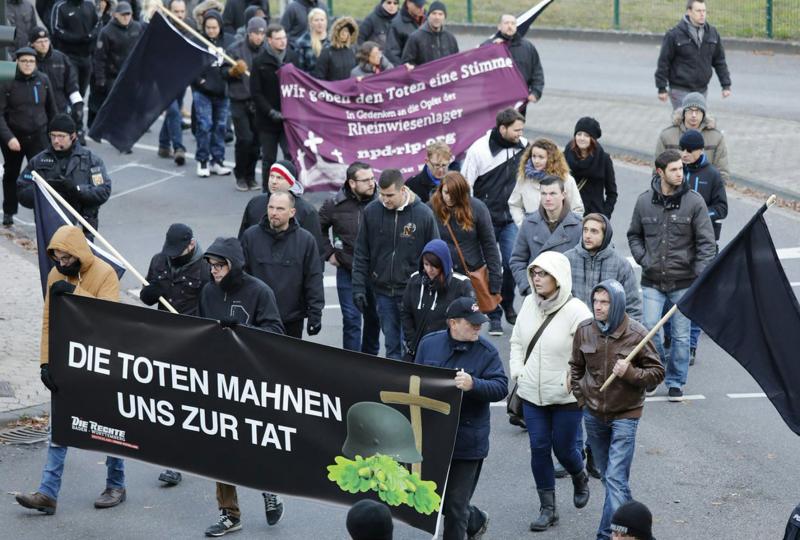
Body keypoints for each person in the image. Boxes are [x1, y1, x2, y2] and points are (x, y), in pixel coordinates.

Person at [15, 225, 126, 515]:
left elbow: (110, 318)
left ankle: (116, 484)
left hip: (102, 362)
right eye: (57, 259)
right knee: (58, 427)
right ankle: (48, 493)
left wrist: (75, 293)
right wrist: (45, 362)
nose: (61, 264)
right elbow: (48, 320)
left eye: (66, 259)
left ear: (78, 253)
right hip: (68, 360)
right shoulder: (54, 275)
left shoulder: (105, 274)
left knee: (109, 425)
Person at [198, 237, 284, 536]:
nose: (214, 272)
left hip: (251, 382)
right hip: (218, 381)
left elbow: (275, 331)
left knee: (254, 443)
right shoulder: (208, 292)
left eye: (220, 266)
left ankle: (268, 487)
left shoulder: (260, 292)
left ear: (233, 265)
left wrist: (243, 331)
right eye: (211, 266)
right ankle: (229, 513)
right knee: (220, 447)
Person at [570, 280, 664, 540]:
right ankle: (634, 530)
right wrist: (582, 399)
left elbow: (657, 373)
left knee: (614, 478)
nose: (598, 307)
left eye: (605, 302)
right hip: (593, 414)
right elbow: (575, 367)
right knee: (611, 479)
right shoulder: (585, 330)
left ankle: (610, 535)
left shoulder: (636, 333)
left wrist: (630, 372)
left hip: (626, 414)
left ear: (617, 305)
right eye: (596, 301)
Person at [509, 251, 592, 532]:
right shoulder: (529, 306)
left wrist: (576, 374)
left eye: (543, 273)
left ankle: (579, 475)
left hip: (566, 397)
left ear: (559, 278)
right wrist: (519, 372)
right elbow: (517, 342)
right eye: (534, 273)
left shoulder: (578, 311)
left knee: (565, 449)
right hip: (532, 394)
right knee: (539, 448)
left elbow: (591, 351)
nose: (537, 278)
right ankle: (548, 509)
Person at [415, 297, 508, 540]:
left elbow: (500, 387)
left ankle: (466, 518)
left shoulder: (486, 352)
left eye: (480, 322)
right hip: (434, 439)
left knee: (455, 508)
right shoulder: (429, 344)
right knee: (429, 497)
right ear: (453, 323)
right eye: (472, 323)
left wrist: (473, 384)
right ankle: (475, 518)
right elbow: (415, 378)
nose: (478, 327)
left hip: (468, 441)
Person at [627, 149, 715, 401]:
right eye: (674, 169)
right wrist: (643, 259)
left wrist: (699, 273)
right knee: (648, 330)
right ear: (660, 172)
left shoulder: (694, 201)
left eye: (681, 168)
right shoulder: (644, 201)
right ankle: (656, 372)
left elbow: (706, 243)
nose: (680, 173)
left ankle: (676, 381)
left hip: (683, 281)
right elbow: (634, 234)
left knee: (680, 335)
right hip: (652, 280)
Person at [139, 223, 209, 486]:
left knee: (187, 401)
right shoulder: (160, 261)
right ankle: (173, 459)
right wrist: (150, 292)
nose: (172, 254)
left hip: (193, 342)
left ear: (191, 244)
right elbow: (147, 297)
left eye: (178, 250)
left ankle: (185, 454)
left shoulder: (204, 268)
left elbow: (210, 304)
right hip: (164, 341)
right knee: (168, 401)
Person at [351, 168, 439, 360]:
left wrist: (432, 288)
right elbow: (361, 252)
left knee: (412, 344)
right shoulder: (371, 212)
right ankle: (395, 385)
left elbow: (435, 256)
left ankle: (412, 385)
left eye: (389, 195)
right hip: (382, 292)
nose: (385, 199)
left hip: (413, 292)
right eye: (381, 194)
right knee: (391, 346)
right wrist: (358, 287)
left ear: (402, 190)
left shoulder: (424, 214)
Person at [661, 128, 727, 364]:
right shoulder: (675, 171)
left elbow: (722, 209)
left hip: (702, 244)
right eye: (682, 149)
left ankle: (689, 345)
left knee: (695, 295)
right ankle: (669, 337)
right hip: (676, 243)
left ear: (700, 150)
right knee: (668, 293)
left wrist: (699, 215)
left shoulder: (713, 175)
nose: (685, 154)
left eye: (690, 150)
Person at [461, 107, 528, 328]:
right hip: (484, 221)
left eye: (521, 129)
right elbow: (465, 185)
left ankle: (508, 304)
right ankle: (493, 312)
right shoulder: (479, 150)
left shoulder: (524, 147)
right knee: (488, 268)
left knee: (511, 263)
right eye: (516, 130)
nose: (520, 133)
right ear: (502, 128)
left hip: (510, 219)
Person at [241, 190, 324, 338]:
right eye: (271, 207)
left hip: (292, 319)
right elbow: (242, 274)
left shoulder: (306, 240)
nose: (273, 212)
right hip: (257, 317)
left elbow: (313, 278)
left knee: (288, 361)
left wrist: (315, 314)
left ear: (292, 212)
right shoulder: (250, 237)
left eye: (280, 209)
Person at [318, 161, 381, 355]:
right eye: (366, 180)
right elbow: (317, 228)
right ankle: (352, 365)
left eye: (372, 178)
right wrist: (329, 253)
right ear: (352, 183)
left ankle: (370, 361)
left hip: (377, 272)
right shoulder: (334, 204)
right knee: (352, 320)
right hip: (348, 271)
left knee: (375, 319)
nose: (372, 183)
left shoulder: (381, 200)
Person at [429, 171, 502, 334]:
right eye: (446, 192)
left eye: (454, 194)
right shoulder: (431, 209)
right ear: (440, 189)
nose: (448, 198)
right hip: (442, 274)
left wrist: (495, 281)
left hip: (470, 274)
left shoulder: (477, 208)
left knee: (468, 325)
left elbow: (489, 245)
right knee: (443, 324)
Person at [18, 114, 110, 236]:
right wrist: (43, 190)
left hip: (82, 227)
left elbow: (103, 191)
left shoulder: (91, 160)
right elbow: (22, 191)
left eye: (61, 136)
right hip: (50, 226)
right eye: (53, 136)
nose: (56, 140)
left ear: (73, 136)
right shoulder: (38, 161)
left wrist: (76, 189)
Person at [0, 47, 57, 226]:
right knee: (11, 175)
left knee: (41, 177)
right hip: (14, 138)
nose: (27, 65)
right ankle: (9, 212)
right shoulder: (7, 82)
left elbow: (52, 110)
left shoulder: (43, 80)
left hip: (38, 137)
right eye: (24, 61)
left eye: (31, 61)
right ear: (17, 62)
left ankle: (40, 214)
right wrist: (9, 137)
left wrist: (55, 136)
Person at [509, 175, 581, 297]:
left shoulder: (579, 226)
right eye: (543, 194)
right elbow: (517, 260)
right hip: (537, 296)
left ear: (563, 195)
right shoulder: (529, 224)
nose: (547, 198)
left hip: (568, 297)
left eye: (553, 194)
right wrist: (528, 288)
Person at [401, 239, 472, 360]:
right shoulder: (414, 280)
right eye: (426, 264)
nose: (429, 270)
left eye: (434, 266)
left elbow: (468, 320)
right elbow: (406, 312)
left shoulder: (462, 284)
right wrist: (411, 340)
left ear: (444, 264)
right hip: (418, 349)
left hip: (448, 352)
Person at [655, 0, 731, 110]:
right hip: (680, 89)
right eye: (698, 11)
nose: (702, 14)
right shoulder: (674, 35)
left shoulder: (712, 33)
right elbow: (664, 62)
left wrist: (726, 85)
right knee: (685, 122)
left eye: (704, 11)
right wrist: (661, 88)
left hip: (701, 90)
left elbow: (719, 61)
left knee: (698, 122)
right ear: (689, 12)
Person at [565, 213, 642, 322]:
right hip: (574, 329)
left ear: (605, 235)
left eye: (594, 231)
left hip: (608, 333)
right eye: (585, 230)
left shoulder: (621, 265)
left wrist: (624, 336)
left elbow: (633, 308)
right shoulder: (566, 260)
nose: (587, 235)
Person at [237, 160, 324, 255]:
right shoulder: (255, 203)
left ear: (291, 182)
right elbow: (242, 241)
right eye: (272, 176)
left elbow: (316, 252)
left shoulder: (307, 211)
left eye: (279, 178)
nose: (274, 181)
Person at [250, 23, 300, 186]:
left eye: (284, 38)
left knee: (291, 156)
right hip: (268, 121)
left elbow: (299, 86)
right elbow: (256, 92)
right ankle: (267, 192)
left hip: (288, 120)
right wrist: (270, 111)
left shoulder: (292, 57)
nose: (282, 41)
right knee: (269, 159)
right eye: (278, 38)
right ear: (269, 40)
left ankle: (292, 189)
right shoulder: (259, 62)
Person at [226, 15, 267, 191]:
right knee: (245, 139)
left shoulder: (267, 50)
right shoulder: (235, 49)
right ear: (249, 33)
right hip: (239, 100)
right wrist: (234, 71)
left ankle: (251, 176)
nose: (259, 36)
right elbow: (223, 72)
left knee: (257, 141)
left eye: (262, 33)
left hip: (258, 102)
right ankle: (240, 175)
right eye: (256, 33)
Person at [654, 91, 730, 184]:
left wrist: (712, 191)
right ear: (683, 113)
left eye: (697, 111)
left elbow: (722, 173)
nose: (694, 115)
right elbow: (658, 171)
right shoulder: (667, 135)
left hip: (704, 192)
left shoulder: (716, 137)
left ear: (703, 114)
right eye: (690, 110)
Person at [50, 0, 99, 142]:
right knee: (72, 92)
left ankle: (75, 126)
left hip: (86, 57)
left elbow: (97, 24)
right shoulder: (61, 7)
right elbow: (56, 29)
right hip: (68, 57)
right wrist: (77, 39)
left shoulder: (89, 5)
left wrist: (91, 36)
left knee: (81, 95)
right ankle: (75, 128)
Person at [192, 10, 233, 178]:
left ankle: (217, 161)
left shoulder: (228, 42)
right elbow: (190, 64)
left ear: (220, 26)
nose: (211, 31)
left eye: (214, 27)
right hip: (203, 92)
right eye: (208, 27)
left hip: (222, 92)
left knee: (221, 127)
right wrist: (199, 81)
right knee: (204, 125)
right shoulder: (197, 41)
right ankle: (202, 161)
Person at [89, 2, 143, 128]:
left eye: (128, 14)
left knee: (129, 104)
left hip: (130, 74)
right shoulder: (107, 32)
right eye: (123, 14)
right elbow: (99, 58)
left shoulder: (137, 28)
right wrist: (100, 79)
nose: (126, 17)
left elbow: (142, 49)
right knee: (107, 103)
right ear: (115, 15)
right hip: (112, 75)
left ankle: (122, 129)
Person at [510, 137, 583, 227]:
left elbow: (577, 209)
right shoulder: (524, 178)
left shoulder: (566, 179)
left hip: (559, 231)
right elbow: (514, 204)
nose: (536, 161)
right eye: (534, 156)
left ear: (551, 159)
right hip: (532, 231)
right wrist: (523, 225)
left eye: (541, 157)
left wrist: (567, 230)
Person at [157, 0, 193, 166]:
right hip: (162, 80)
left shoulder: (189, 29)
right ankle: (179, 148)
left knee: (174, 111)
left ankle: (164, 145)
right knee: (173, 112)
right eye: (176, 11)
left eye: (181, 11)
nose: (179, 15)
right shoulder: (161, 29)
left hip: (180, 79)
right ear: (169, 11)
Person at [486, 14, 543, 113]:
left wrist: (536, 92)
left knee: (516, 128)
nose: (510, 26)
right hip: (495, 102)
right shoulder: (488, 46)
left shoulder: (527, 47)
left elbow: (537, 72)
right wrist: (493, 48)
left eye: (513, 23)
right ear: (499, 26)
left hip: (519, 102)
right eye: (506, 23)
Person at [564, 117, 618, 218]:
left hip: (593, 217)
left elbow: (612, 193)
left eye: (586, 135)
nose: (582, 138)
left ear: (593, 139)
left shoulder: (603, 159)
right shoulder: (565, 156)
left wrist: (604, 216)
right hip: (569, 214)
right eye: (579, 134)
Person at [29, 26, 83, 126]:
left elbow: (71, 84)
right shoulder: (26, 61)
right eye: (39, 42)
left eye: (46, 41)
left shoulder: (60, 58)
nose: (43, 44)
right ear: (32, 44)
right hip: (36, 112)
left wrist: (78, 104)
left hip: (59, 109)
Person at [400, 0, 457, 67]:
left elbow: (456, 61)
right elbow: (406, 63)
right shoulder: (415, 37)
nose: (437, 17)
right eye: (434, 13)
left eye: (440, 14)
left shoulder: (450, 38)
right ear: (428, 16)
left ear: (444, 17)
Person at [313, 16, 357, 81]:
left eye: (347, 31)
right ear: (336, 32)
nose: (344, 34)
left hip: (350, 89)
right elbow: (319, 77)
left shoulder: (353, 50)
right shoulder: (327, 52)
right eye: (342, 30)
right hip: (331, 89)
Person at [384, 0, 424, 66]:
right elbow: (392, 55)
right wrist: (403, 70)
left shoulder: (427, 19)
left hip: (427, 70)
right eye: (418, 6)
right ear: (408, 3)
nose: (421, 9)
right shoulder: (395, 25)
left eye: (422, 5)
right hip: (409, 71)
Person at [295, 7, 328, 73]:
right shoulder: (302, 42)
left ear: (326, 21)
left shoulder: (332, 40)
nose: (320, 23)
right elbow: (299, 69)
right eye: (316, 20)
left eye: (322, 20)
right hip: (311, 80)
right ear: (310, 23)